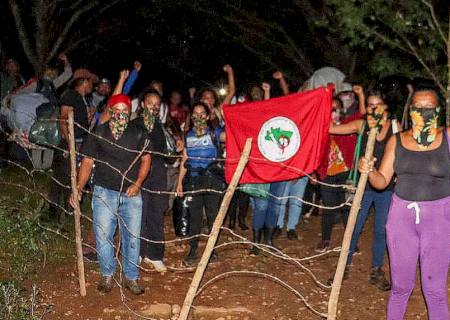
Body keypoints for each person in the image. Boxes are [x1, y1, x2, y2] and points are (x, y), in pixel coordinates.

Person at [359, 88, 450, 319]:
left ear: (438, 110)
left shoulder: (448, 137)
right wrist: (369, 171)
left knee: (435, 290)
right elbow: (381, 182)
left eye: (429, 108)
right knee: (401, 288)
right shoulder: (397, 140)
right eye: (417, 107)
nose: (423, 112)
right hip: (401, 219)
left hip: (439, 219)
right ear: (410, 111)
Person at [71, 94, 151, 295]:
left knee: (132, 237)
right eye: (118, 110)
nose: (122, 114)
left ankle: (131, 278)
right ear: (111, 111)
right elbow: (87, 161)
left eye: (126, 111)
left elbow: (146, 159)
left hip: (131, 194)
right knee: (103, 236)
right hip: (104, 192)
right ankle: (107, 275)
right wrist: (78, 188)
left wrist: (138, 183)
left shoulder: (139, 133)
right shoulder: (98, 133)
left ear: (130, 113)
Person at [329, 89, 393, 291]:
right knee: (354, 227)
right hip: (363, 188)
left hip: (387, 188)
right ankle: (343, 267)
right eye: (369, 105)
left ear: (386, 107)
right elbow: (332, 128)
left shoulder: (396, 128)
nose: (372, 109)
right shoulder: (361, 125)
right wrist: (324, 103)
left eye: (377, 105)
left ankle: (376, 269)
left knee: (381, 230)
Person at [177, 102, 225, 266]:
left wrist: (224, 116)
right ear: (191, 116)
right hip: (194, 180)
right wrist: (179, 183)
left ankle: (212, 250)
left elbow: (232, 134)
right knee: (195, 217)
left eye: (202, 114)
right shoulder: (188, 135)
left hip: (212, 180)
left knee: (213, 216)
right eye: (195, 114)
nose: (199, 117)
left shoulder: (215, 133)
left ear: (207, 115)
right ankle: (193, 250)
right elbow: (185, 159)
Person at [48, 68, 97, 227]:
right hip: (70, 144)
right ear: (84, 82)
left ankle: (68, 215)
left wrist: (89, 116)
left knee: (71, 178)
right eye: (90, 82)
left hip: (78, 143)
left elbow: (80, 124)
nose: (92, 86)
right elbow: (63, 119)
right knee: (62, 180)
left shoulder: (82, 99)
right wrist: (70, 145)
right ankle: (55, 216)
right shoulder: (71, 96)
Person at [134, 89, 169, 273]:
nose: (154, 108)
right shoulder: (134, 125)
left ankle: (155, 255)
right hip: (139, 174)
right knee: (139, 213)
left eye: (157, 105)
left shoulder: (160, 127)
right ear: (142, 105)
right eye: (150, 103)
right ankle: (138, 253)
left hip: (157, 175)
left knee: (156, 212)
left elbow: (165, 152)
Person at [316, 97, 356, 252]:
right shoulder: (320, 128)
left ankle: (351, 243)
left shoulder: (348, 126)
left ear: (341, 110)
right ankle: (325, 240)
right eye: (330, 109)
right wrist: (314, 172)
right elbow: (315, 152)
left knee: (347, 208)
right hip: (327, 174)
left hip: (345, 174)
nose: (334, 112)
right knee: (328, 209)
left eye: (336, 109)